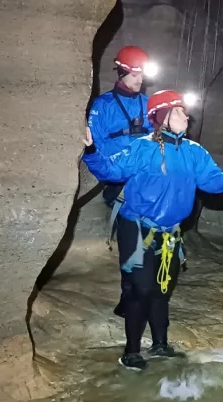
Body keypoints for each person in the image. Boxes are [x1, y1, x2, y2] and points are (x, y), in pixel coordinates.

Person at [82, 90, 223, 370]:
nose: (186, 116)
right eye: (179, 111)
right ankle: (131, 351)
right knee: (141, 289)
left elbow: (214, 182)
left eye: (184, 111)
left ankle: (160, 344)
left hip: (170, 232)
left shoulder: (194, 152)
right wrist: (91, 151)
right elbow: (111, 171)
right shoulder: (143, 148)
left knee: (162, 289)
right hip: (137, 227)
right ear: (161, 117)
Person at [87, 46, 154, 317]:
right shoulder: (102, 107)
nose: (140, 81)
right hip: (120, 182)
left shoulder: (147, 103)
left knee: (152, 239)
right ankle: (129, 295)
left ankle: (145, 291)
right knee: (131, 240)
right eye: (136, 75)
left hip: (148, 181)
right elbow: (98, 147)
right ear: (123, 71)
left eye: (142, 76)